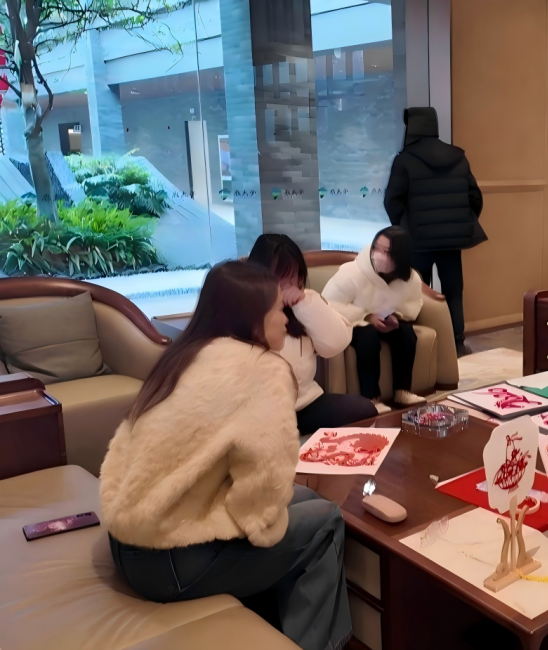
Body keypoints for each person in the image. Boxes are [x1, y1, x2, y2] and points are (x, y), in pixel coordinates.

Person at [99, 262, 352, 650]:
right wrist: (261, 527)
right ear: (252, 318)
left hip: (128, 540)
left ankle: (269, 619)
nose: (286, 318)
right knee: (325, 522)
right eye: (277, 309)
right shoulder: (261, 368)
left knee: (306, 500)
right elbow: (263, 488)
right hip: (166, 562)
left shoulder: (187, 353)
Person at [248, 234, 379, 435]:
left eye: (295, 275)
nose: (290, 283)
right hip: (263, 413)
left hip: (305, 403)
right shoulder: (246, 309)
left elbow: (336, 344)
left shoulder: (306, 301)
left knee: (364, 410)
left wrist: (302, 304)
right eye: (282, 275)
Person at [384, 106, 485, 358]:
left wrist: (403, 226)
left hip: (417, 240)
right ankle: (457, 343)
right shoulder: (458, 156)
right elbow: (475, 197)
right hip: (452, 240)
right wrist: (459, 223)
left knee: (419, 291)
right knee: (454, 292)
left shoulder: (404, 160)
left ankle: (424, 342)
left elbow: (392, 201)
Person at [322, 226, 427, 413]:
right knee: (368, 336)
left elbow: (413, 304)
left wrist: (395, 316)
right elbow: (329, 303)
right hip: (352, 323)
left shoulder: (410, 279)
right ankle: (371, 398)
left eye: (386, 251)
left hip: (385, 320)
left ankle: (402, 391)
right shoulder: (352, 272)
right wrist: (367, 317)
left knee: (406, 332)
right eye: (376, 248)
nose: (378, 255)